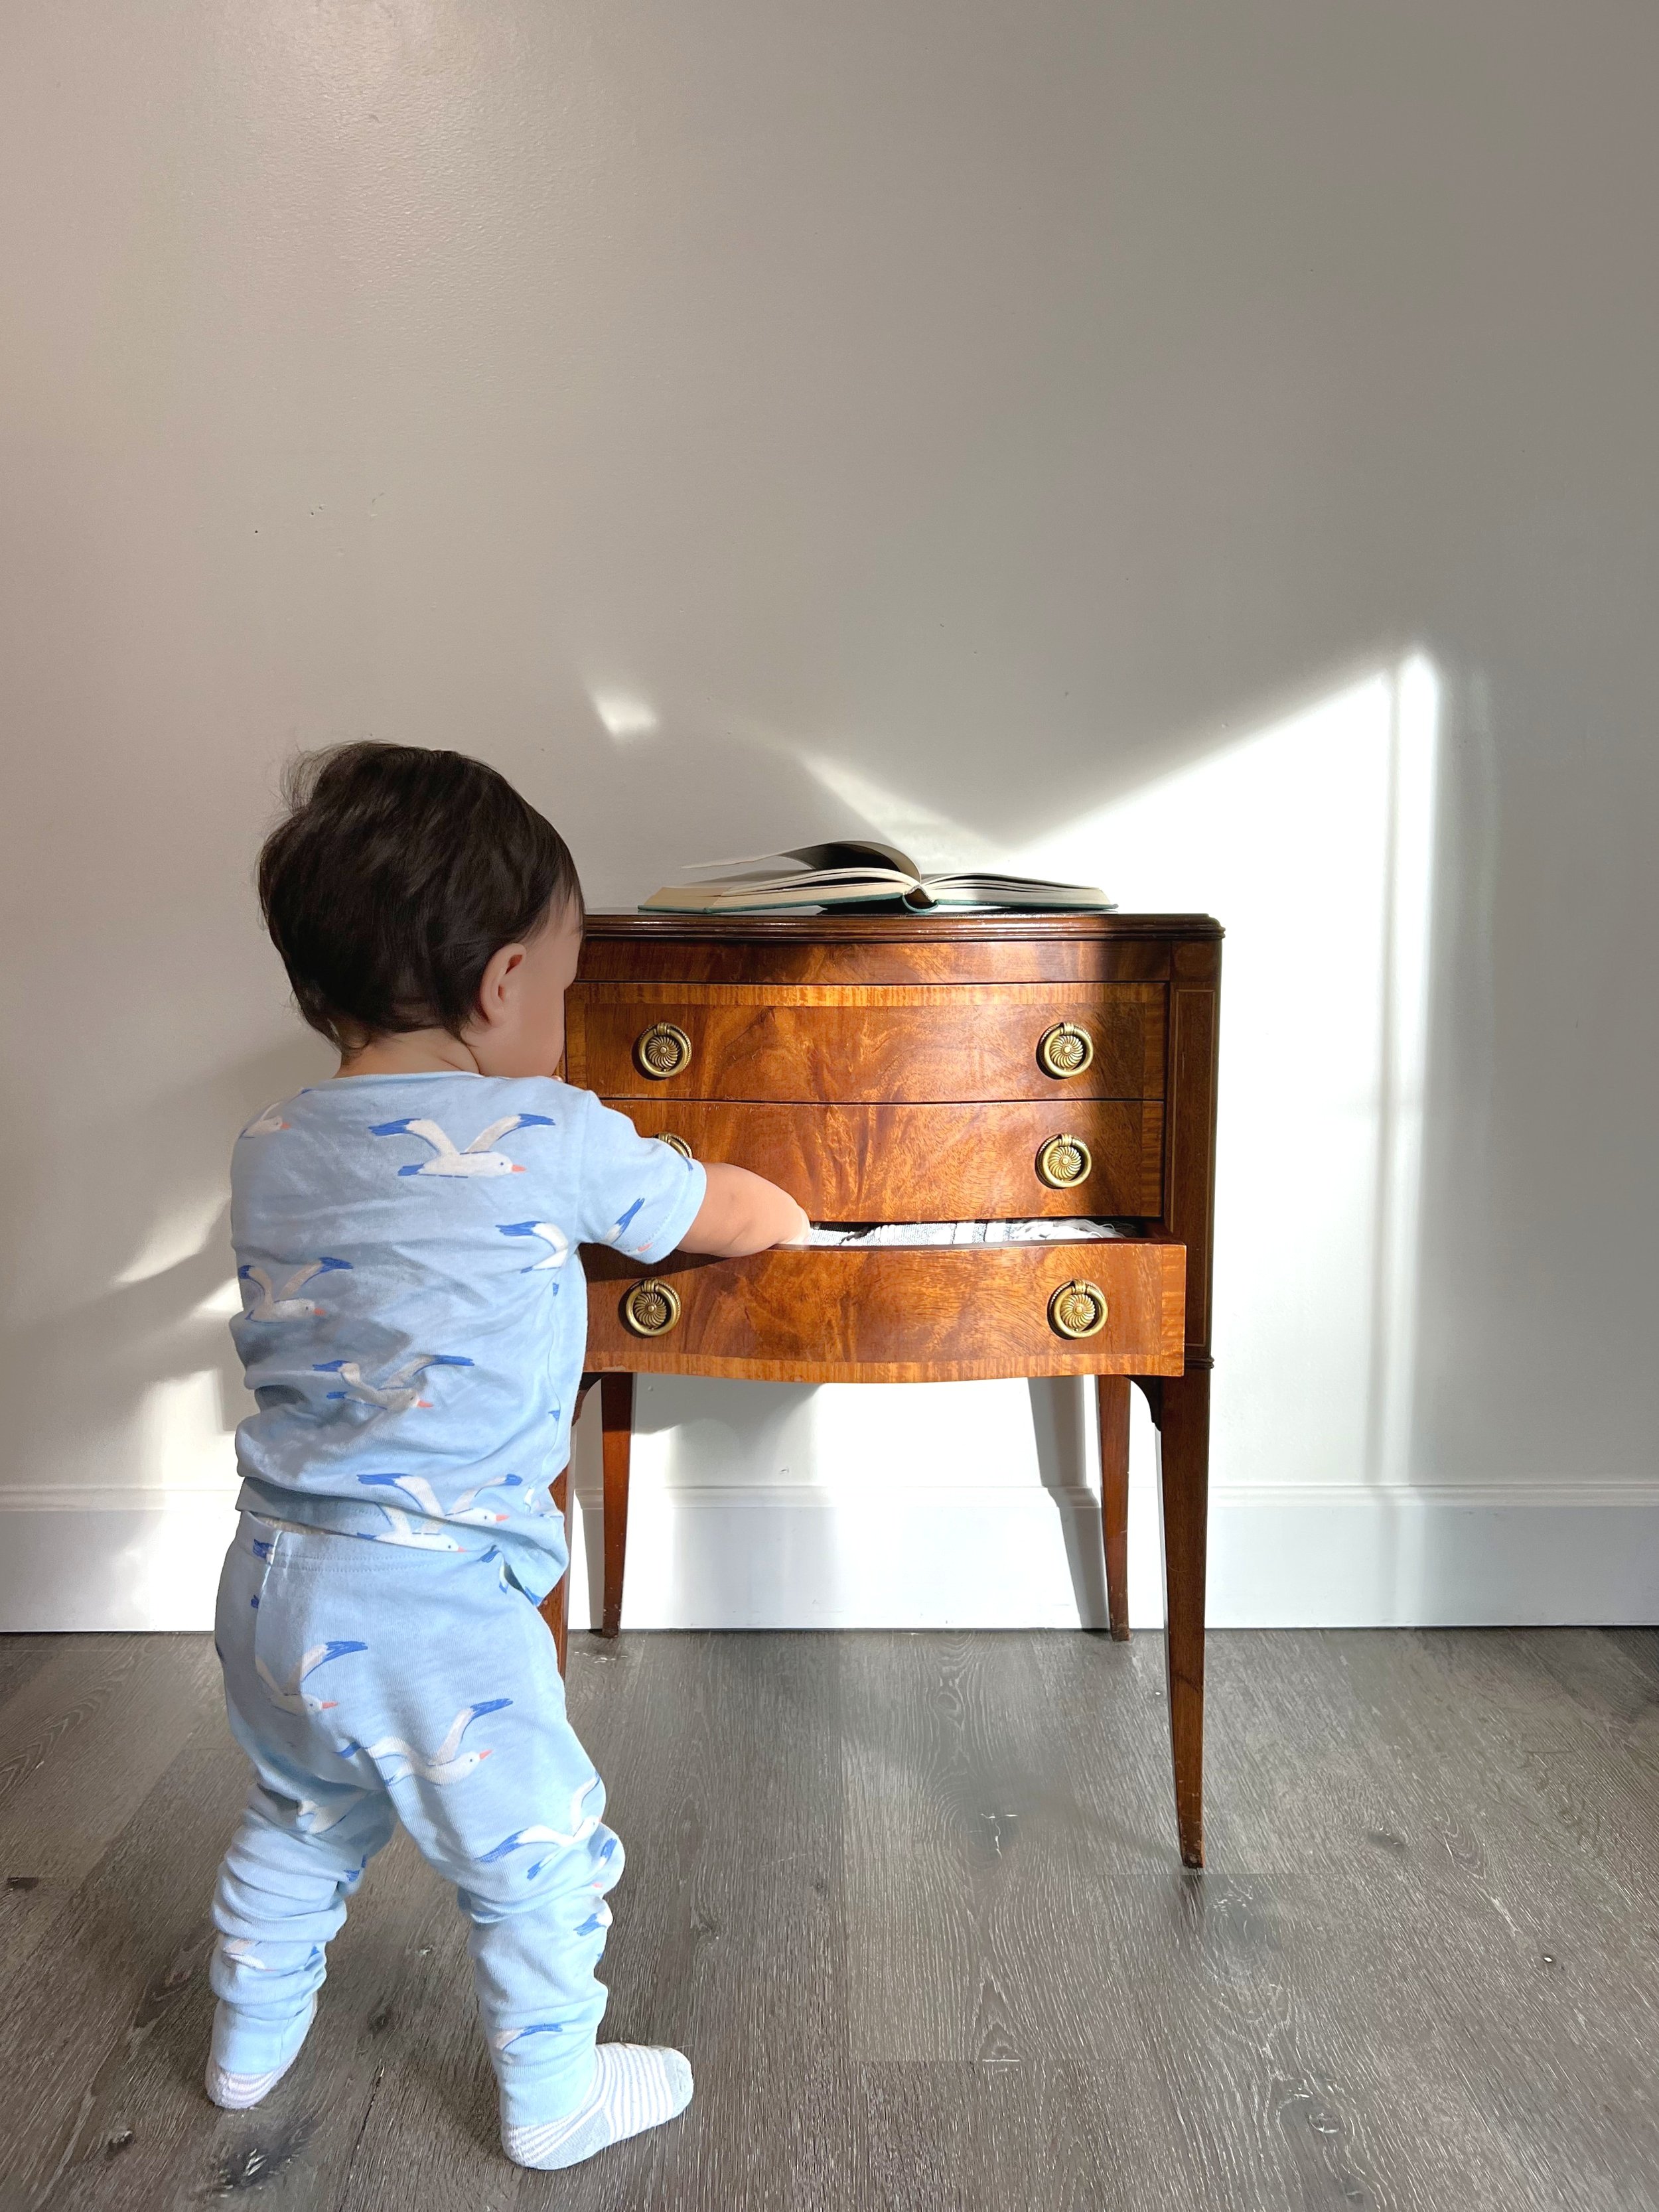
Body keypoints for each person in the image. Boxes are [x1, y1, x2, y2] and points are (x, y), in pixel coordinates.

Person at [204, 741, 808, 2172]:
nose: (568, 1002)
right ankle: (549, 2095)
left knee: (304, 1806)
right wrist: (780, 1208)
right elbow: (700, 1211)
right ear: (500, 984)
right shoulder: (543, 1128)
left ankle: (244, 2036)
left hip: (271, 1578)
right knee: (535, 1844)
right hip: (435, 1601)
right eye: (569, 973)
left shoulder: (269, 1143)